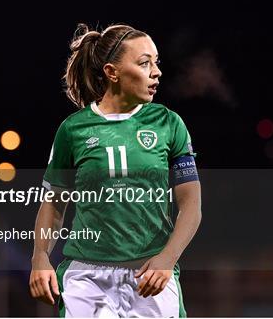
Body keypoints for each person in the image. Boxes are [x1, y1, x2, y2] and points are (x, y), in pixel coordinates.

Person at [29, 23, 202, 318]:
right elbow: (54, 203)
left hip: (150, 273)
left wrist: (167, 258)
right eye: (144, 62)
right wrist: (40, 258)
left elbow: (191, 205)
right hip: (87, 278)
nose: (156, 71)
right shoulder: (73, 130)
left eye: (156, 62)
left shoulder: (169, 124)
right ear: (112, 72)